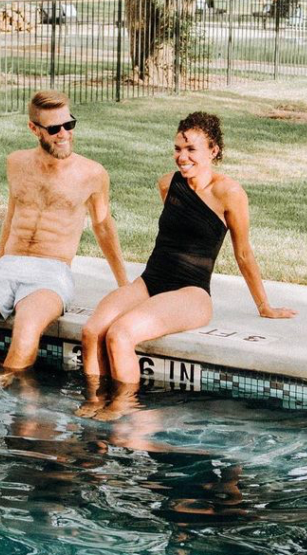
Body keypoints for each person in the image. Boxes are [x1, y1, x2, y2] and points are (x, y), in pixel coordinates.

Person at [80, 111, 295, 390]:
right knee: (91, 331)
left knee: (119, 334)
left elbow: (243, 254)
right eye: (178, 149)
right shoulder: (168, 184)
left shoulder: (229, 193)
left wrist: (264, 306)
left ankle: (123, 415)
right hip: (150, 281)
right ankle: (95, 403)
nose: (182, 157)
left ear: (213, 150)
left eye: (192, 149)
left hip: (191, 293)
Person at [0, 90, 128, 370]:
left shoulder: (92, 173)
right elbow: (12, 216)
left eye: (69, 124)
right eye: (54, 128)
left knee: (26, 331)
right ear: (34, 129)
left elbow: (103, 227)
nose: (64, 134)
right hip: (7, 266)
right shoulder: (16, 162)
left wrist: (125, 286)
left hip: (51, 272)